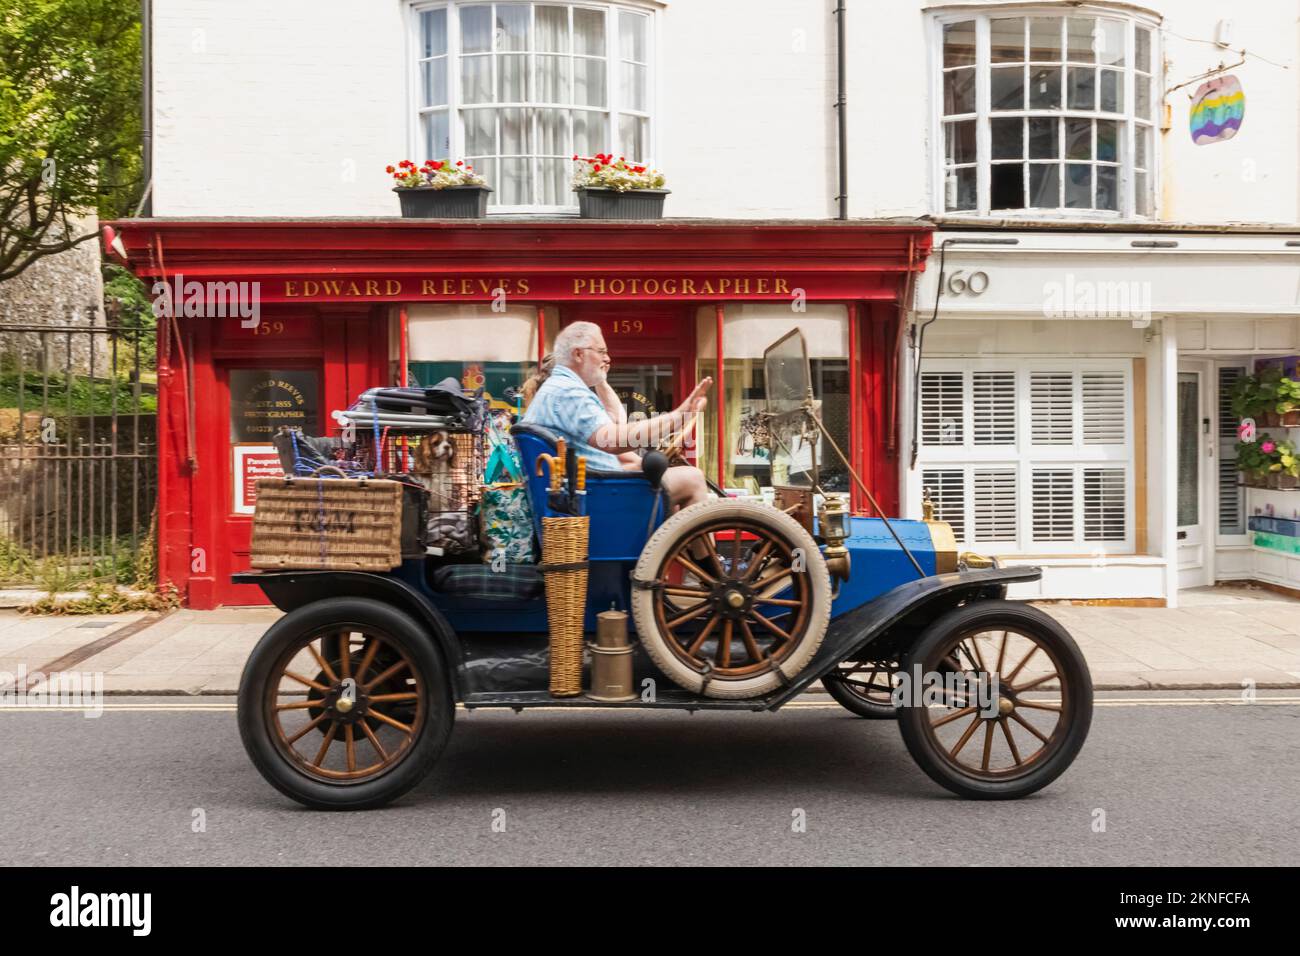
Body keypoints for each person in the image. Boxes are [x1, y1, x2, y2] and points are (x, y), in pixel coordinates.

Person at [522, 321, 712, 512]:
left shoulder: (560, 388)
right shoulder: (569, 392)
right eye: (601, 351)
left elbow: (615, 423)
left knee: (672, 502)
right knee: (693, 479)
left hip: (587, 492)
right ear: (579, 354)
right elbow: (612, 440)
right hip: (600, 495)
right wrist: (678, 418)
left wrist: (600, 380)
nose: (607, 358)